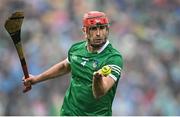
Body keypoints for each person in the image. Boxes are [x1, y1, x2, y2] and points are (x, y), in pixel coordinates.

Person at [23, 11, 123, 116]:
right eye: (93, 28)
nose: (98, 33)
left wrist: (97, 79)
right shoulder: (76, 49)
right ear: (84, 31)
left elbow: (99, 93)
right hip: (69, 112)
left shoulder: (113, 58)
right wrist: (36, 79)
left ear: (107, 30)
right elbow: (64, 66)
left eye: (102, 28)